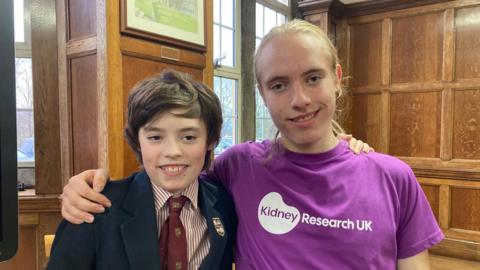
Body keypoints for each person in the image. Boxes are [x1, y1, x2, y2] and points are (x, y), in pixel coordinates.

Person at [59, 19, 443, 269]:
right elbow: (170, 172)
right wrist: (80, 187)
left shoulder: (393, 178)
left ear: (337, 77)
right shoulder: (240, 167)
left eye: (313, 78)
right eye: (279, 84)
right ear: (262, 92)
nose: (300, 100)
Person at [47, 70, 237, 270]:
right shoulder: (95, 206)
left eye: (188, 137)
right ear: (137, 141)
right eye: (155, 137)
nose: (172, 152)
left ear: (211, 140)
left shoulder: (225, 206)